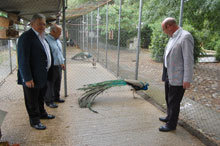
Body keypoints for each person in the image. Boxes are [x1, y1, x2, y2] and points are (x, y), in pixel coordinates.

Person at [17, 14, 55, 130]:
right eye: (39, 24)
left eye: (44, 24)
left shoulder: (42, 36)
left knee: (40, 97)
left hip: (42, 74)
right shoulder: (26, 37)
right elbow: (23, 59)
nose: (42, 26)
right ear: (32, 24)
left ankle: (42, 114)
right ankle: (34, 121)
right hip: (31, 77)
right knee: (32, 100)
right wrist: (27, 78)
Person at [159, 17, 194, 132]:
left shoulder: (185, 37)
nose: (164, 32)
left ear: (169, 27)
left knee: (174, 102)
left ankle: (171, 124)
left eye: (163, 29)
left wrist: (187, 79)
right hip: (169, 74)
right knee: (168, 98)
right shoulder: (172, 37)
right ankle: (169, 116)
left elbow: (188, 60)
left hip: (178, 76)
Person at [44, 24, 65, 108]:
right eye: (59, 32)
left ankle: (56, 97)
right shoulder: (46, 40)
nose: (60, 34)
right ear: (53, 31)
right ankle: (49, 101)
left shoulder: (57, 40)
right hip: (51, 66)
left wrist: (62, 62)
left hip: (59, 65)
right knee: (50, 84)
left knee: (57, 82)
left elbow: (59, 53)